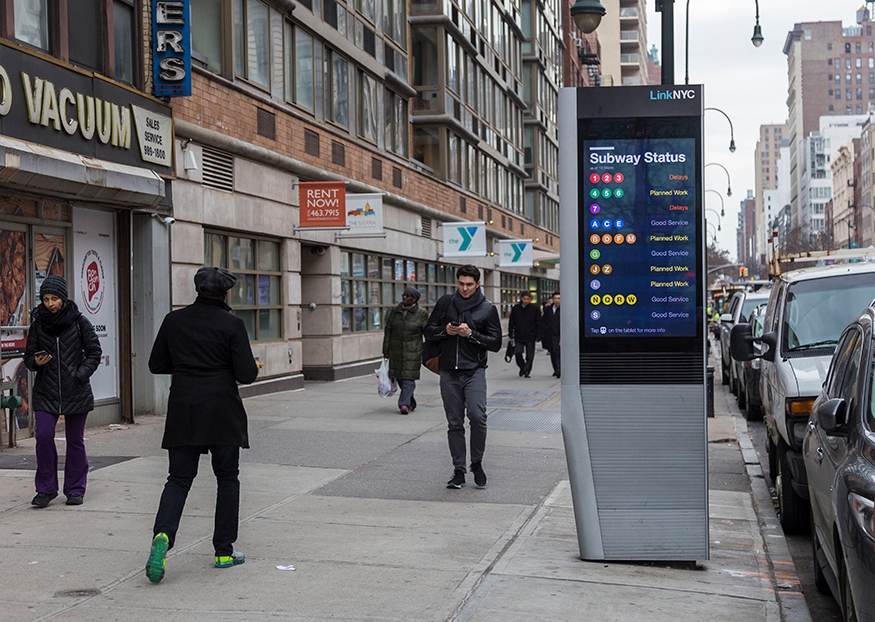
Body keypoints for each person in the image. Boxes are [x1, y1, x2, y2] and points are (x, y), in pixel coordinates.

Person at [145, 266, 259, 583]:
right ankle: (223, 551)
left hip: (184, 408)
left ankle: (163, 537)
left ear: (197, 291)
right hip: (222, 409)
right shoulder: (232, 324)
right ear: (224, 293)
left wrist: (185, 364)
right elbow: (248, 374)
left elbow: (156, 364)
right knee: (227, 478)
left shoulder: (174, 321)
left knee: (178, 480)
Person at [24, 275, 102, 508]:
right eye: (46, 299)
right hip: (45, 392)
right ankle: (46, 489)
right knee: (44, 437)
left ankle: (75, 489)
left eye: (54, 298)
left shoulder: (79, 322)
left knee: (75, 441)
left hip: (75, 390)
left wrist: (79, 375)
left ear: (63, 298)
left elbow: (94, 352)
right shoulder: (38, 324)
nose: (50, 303)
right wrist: (36, 362)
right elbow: (28, 358)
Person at [424, 264, 502, 489]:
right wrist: (444, 331)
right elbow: (428, 331)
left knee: (478, 417)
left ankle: (476, 463)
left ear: (477, 284)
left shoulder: (487, 308)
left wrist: (471, 334)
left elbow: (495, 343)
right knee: (454, 422)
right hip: (448, 372)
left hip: (474, 370)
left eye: (469, 284)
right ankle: (458, 470)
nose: (465, 288)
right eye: (461, 284)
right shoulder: (446, 303)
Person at [382, 286, 429, 414]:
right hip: (396, 350)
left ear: (415, 299)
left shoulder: (421, 313)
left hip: (412, 351)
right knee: (400, 377)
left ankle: (403, 404)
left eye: (408, 296)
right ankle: (410, 402)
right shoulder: (395, 311)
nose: (405, 297)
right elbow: (388, 330)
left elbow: (427, 333)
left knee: (408, 378)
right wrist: (385, 350)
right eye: (404, 295)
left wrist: (429, 350)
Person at [508, 291, 543, 378]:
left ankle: (527, 370)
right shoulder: (516, 308)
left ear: (530, 299)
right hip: (519, 335)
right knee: (518, 353)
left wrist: (538, 335)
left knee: (530, 356)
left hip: (531, 335)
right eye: (524, 299)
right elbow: (512, 321)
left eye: (528, 299)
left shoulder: (534, 309)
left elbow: (539, 322)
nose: (526, 301)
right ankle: (522, 367)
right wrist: (510, 332)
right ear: (521, 299)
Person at [543, 291, 561, 378]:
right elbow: (544, 321)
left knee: (559, 352)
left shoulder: (563, 310)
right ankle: (556, 369)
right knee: (553, 352)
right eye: (555, 298)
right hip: (550, 334)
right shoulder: (548, 309)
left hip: (559, 334)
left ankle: (559, 369)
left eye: (559, 298)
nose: (557, 300)